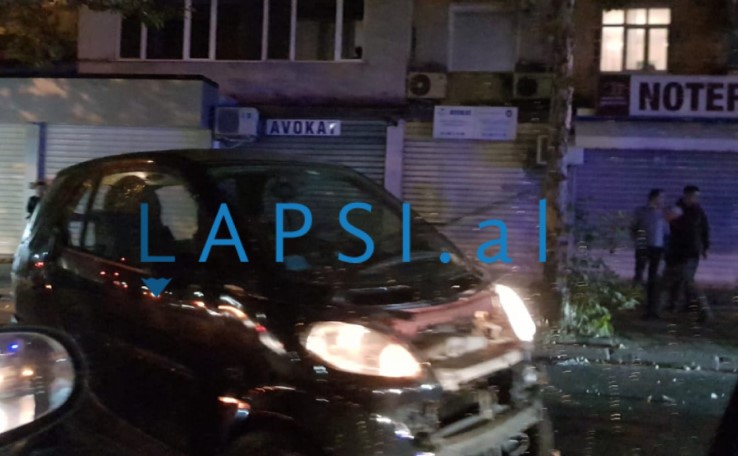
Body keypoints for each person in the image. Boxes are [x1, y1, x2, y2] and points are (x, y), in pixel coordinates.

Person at [663, 185, 712, 323]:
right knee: (678, 280)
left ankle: (702, 311)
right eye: (692, 196)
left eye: (696, 197)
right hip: (677, 251)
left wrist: (705, 247)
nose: (694, 199)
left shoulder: (698, 211)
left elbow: (704, 229)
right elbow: (668, 226)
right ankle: (675, 305)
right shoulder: (676, 209)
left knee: (687, 279)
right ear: (686, 195)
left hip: (692, 251)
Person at [629, 189, 670, 319]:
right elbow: (633, 227)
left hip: (658, 248)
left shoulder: (663, 214)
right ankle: (635, 300)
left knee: (654, 277)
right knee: (639, 273)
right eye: (660, 198)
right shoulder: (642, 212)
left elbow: (667, 232)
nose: (662, 200)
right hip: (643, 247)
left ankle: (651, 305)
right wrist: (638, 240)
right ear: (653, 198)